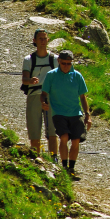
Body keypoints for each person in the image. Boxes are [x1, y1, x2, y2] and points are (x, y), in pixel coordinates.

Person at [40, 50, 92, 180]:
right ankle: (64, 167)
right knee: (64, 137)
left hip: (75, 112)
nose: (66, 66)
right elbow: (44, 93)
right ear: (58, 61)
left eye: (69, 63)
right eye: (63, 63)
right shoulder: (51, 75)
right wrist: (43, 102)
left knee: (76, 140)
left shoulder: (77, 76)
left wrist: (87, 114)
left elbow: (83, 96)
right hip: (58, 112)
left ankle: (71, 168)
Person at [22, 29, 59, 161]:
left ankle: (54, 159)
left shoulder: (55, 59)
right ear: (35, 41)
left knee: (53, 131)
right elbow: (24, 79)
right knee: (34, 131)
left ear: (48, 40)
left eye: (45, 38)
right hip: (34, 96)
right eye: (40, 39)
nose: (43, 41)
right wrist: (30, 80)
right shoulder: (28, 59)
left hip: (51, 96)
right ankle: (36, 159)